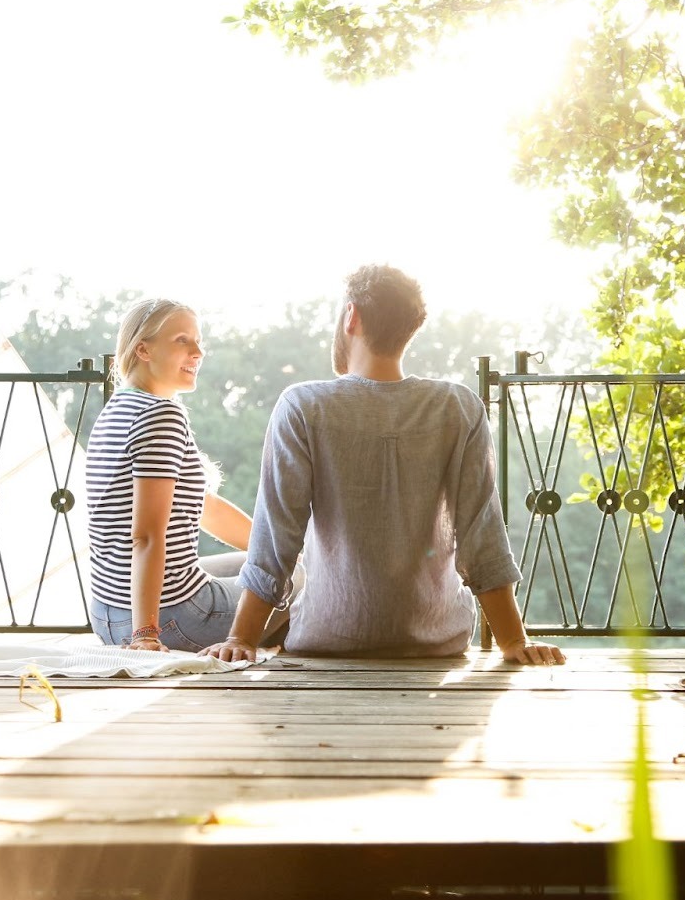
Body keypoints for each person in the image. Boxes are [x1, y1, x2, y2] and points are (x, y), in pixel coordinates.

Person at [201, 265, 564, 666]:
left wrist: (242, 638)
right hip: (438, 640)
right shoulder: (459, 407)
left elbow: (276, 538)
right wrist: (513, 641)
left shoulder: (303, 406)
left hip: (328, 638)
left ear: (351, 316)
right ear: (410, 328)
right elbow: (483, 534)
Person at [85, 298, 278, 652]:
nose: (198, 352)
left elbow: (203, 507)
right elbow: (145, 536)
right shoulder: (161, 416)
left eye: (198, 340)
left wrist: (274, 549)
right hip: (170, 619)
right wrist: (145, 635)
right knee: (299, 577)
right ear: (143, 349)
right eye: (182, 340)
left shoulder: (117, 408)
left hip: (107, 615)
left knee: (273, 561)